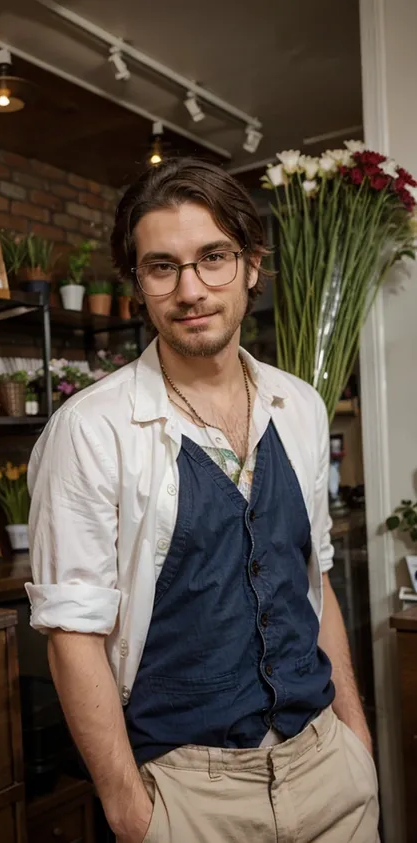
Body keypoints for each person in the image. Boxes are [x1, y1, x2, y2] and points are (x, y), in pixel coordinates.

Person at [26, 158, 379, 843]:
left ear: (251, 265)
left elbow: (315, 579)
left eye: (212, 257)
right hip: (190, 794)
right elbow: (73, 636)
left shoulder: (299, 406)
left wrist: (356, 736)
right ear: (139, 284)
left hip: (328, 771)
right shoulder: (90, 429)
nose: (190, 289)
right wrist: (133, 812)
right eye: (163, 266)